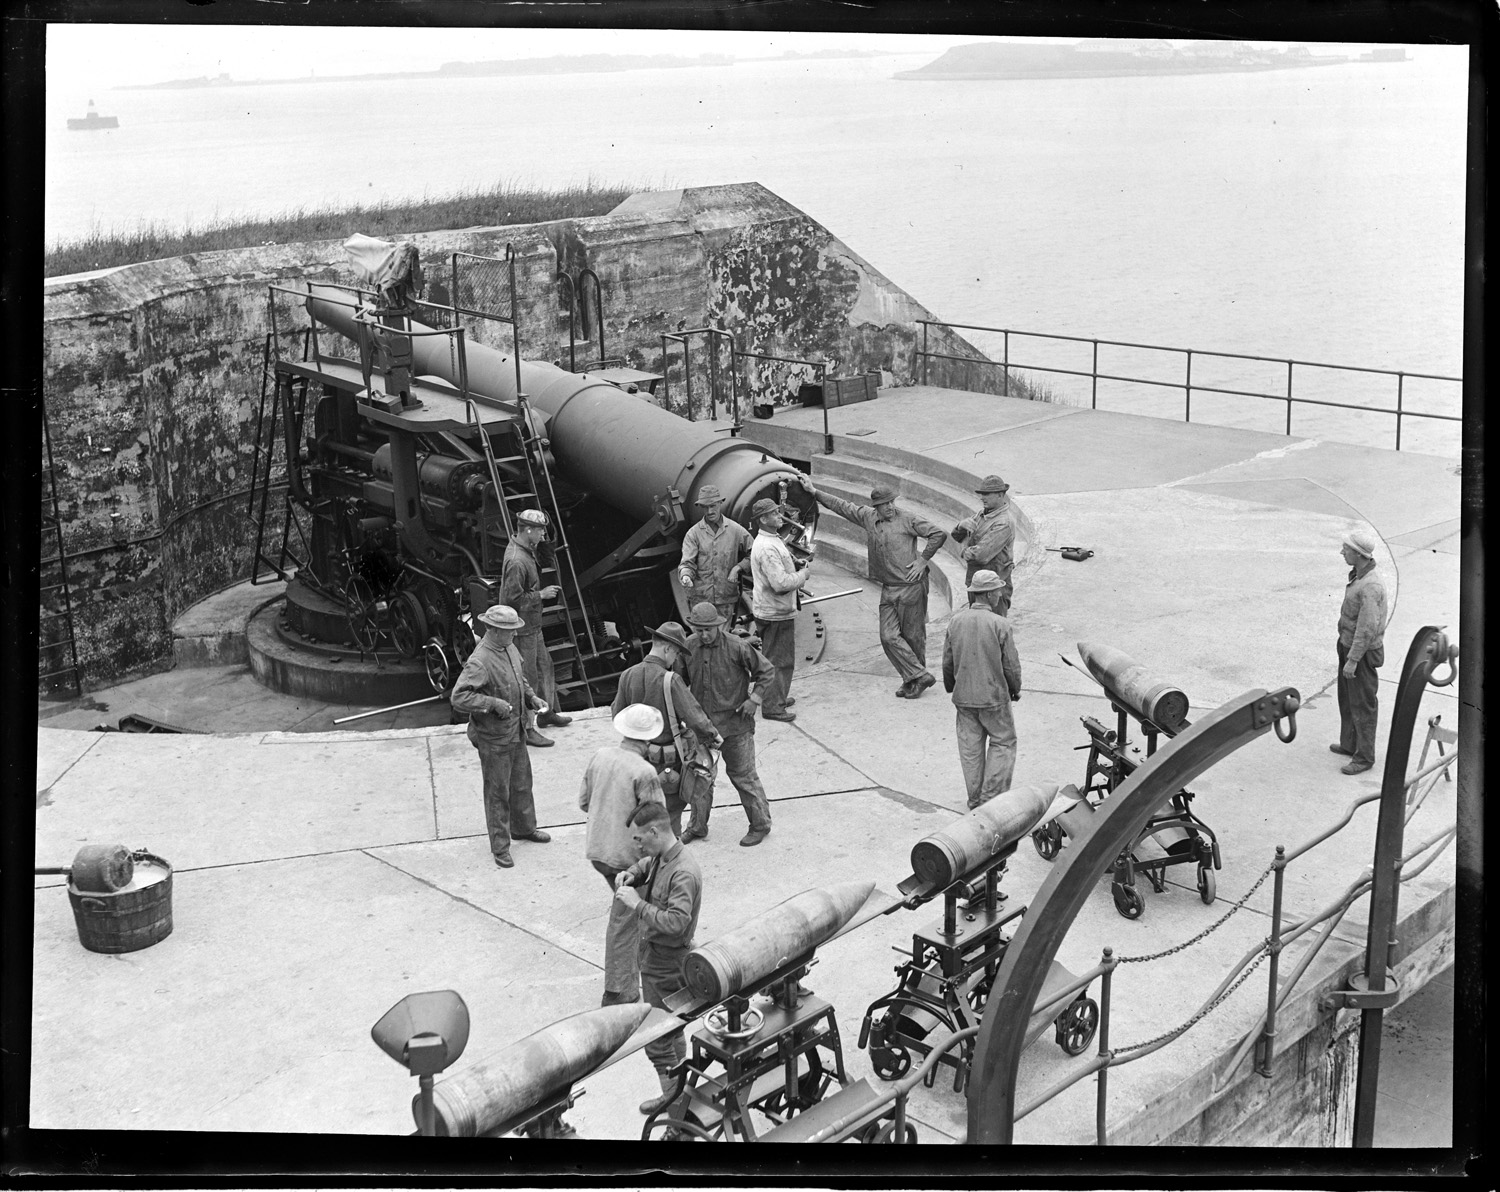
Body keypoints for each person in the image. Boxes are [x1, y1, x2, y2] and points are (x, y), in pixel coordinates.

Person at [797, 476, 947, 699]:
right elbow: (842, 506)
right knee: (888, 636)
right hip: (889, 587)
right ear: (876, 506)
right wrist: (815, 492)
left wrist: (923, 561)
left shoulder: (907, 519)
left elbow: (938, 534)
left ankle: (913, 680)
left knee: (913, 636)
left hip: (911, 587)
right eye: (885, 504)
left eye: (892, 502)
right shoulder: (868, 516)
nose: (890, 507)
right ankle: (919, 675)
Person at [613, 801, 703, 1116]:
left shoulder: (683, 872)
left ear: (654, 831)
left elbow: (677, 923)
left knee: (657, 1040)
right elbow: (647, 865)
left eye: (639, 839)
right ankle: (679, 1094)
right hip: (654, 960)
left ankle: (675, 1109)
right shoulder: (662, 856)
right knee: (671, 1030)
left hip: (667, 965)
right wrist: (631, 874)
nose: (637, 847)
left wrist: (637, 904)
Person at [448, 604, 552, 868]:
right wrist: (492, 703)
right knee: (498, 793)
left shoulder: (509, 647)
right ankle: (500, 847)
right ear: (492, 630)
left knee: (522, 784)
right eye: (509, 630)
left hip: (515, 730)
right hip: (494, 738)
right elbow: (459, 697)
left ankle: (524, 828)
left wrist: (531, 697)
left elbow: (519, 678)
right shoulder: (480, 661)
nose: (515, 634)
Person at [579, 704, 668, 1006]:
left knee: (632, 915)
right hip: (627, 860)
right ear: (649, 739)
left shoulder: (600, 756)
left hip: (598, 852)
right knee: (627, 920)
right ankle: (618, 992)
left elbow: (584, 802)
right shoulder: (644, 772)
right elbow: (657, 824)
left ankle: (630, 976)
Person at [612, 623, 721, 837]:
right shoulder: (670, 680)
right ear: (668, 648)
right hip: (668, 765)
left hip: (638, 760)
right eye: (677, 653)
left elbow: (617, 715)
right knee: (670, 818)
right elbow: (694, 716)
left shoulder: (627, 675)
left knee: (644, 814)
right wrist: (713, 735)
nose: (676, 659)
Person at [681, 601, 776, 847]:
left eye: (707, 629)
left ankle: (760, 825)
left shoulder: (737, 646)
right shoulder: (688, 647)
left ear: (718, 626)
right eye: (698, 629)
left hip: (736, 727)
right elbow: (679, 683)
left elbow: (767, 671)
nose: (703, 634)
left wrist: (754, 699)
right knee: (700, 777)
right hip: (703, 729)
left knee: (744, 777)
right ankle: (697, 826)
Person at [941, 570, 1022, 809]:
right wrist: (1015, 689)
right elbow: (1011, 665)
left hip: (964, 698)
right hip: (993, 698)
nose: (1000, 595)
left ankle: (976, 800)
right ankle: (991, 800)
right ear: (987, 594)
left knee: (970, 750)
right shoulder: (1000, 624)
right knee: (1003, 742)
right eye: (997, 591)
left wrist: (953, 686)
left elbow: (947, 661)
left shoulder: (955, 622)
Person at [500, 508, 572, 747]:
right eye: (540, 530)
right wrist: (541, 594)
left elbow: (545, 550)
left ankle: (546, 713)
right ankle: (527, 728)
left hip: (532, 626)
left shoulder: (526, 549)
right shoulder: (516, 561)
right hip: (521, 630)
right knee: (528, 678)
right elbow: (512, 600)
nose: (543, 534)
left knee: (545, 668)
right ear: (528, 530)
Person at [747, 497, 809, 721]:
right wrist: (802, 575)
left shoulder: (772, 539)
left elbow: (780, 567)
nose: (779, 516)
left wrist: (794, 564)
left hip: (773, 610)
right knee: (779, 661)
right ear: (763, 519)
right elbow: (780, 584)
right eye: (774, 513)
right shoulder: (766, 547)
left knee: (774, 659)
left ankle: (777, 696)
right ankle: (773, 707)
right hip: (775, 613)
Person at [1332, 529, 1388, 775]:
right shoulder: (1359, 576)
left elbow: (1367, 628)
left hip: (1361, 654)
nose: (1341, 552)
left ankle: (1364, 757)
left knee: (1363, 705)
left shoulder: (1371, 585)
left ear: (1358, 554)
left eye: (1346, 549)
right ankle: (1350, 744)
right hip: (1348, 645)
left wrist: (1353, 660)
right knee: (1347, 700)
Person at [676, 484, 754, 624]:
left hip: (726, 599)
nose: (709, 511)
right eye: (705, 507)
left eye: (713, 506)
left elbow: (754, 553)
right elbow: (687, 563)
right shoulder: (693, 534)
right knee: (704, 635)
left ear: (720, 503)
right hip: (700, 600)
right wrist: (685, 575)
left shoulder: (736, 530)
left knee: (723, 636)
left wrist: (738, 568)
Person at [951, 474, 1016, 613]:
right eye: (982, 494)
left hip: (994, 589)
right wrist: (961, 526)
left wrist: (963, 550)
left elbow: (981, 555)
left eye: (987, 494)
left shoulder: (1004, 523)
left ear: (1000, 495)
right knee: (976, 622)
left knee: (993, 624)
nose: (982, 498)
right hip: (976, 584)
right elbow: (956, 536)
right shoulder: (982, 514)